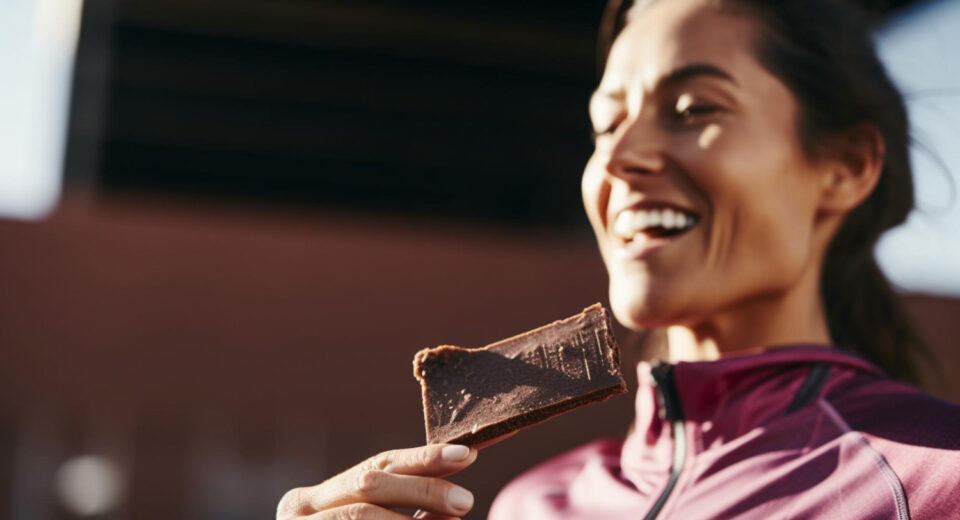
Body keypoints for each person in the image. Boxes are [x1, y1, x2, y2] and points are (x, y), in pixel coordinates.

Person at [277, 0, 960, 518]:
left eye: (692, 108)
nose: (619, 158)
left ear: (845, 166)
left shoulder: (934, 483)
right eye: (605, 124)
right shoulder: (531, 504)